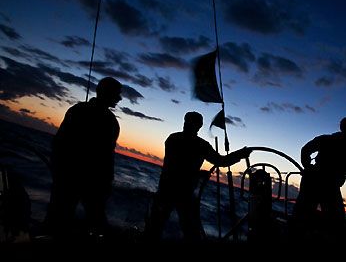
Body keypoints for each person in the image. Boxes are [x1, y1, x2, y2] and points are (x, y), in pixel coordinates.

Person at [145, 111, 251, 242]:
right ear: (199, 126)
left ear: (185, 122)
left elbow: (176, 166)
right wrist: (241, 153)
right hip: (184, 194)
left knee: (155, 227)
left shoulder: (172, 138)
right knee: (191, 233)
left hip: (166, 190)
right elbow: (221, 162)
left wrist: (198, 174)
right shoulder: (201, 145)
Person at [45, 77, 122, 238]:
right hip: (74, 177)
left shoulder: (80, 111)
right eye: (117, 93)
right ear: (106, 93)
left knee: (61, 218)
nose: (119, 98)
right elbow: (107, 156)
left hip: (84, 179)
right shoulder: (109, 121)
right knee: (61, 218)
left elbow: (58, 143)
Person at [291, 116, 346, 239]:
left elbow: (305, 150)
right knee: (332, 222)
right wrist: (308, 167)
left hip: (323, 185)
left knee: (303, 218)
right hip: (321, 184)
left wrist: (308, 167)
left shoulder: (327, 139)